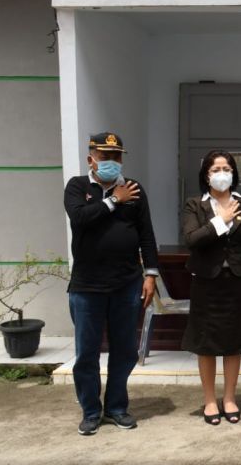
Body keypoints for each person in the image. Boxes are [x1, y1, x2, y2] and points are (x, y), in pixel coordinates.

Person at [63, 132, 158, 436]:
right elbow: (80, 219)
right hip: (87, 286)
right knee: (87, 353)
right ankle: (91, 411)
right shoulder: (78, 186)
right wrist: (115, 200)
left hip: (126, 284)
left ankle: (117, 407)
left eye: (117, 157)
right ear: (91, 159)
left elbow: (146, 234)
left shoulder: (134, 189)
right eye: (105, 156)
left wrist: (150, 274)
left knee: (125, 350)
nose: (112, 162)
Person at [181, 150, 241, 425]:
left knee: (234, 342)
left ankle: (229, 398)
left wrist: (236, 261)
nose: (222, 173)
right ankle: (210, 401)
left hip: (237, 280)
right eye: (216, 169)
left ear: (233, 173)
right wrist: (221, 219)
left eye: (227, 168)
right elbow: (192, 239)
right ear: (206, 175)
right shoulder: (195, 205)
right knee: (206, 343)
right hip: (206, 282)